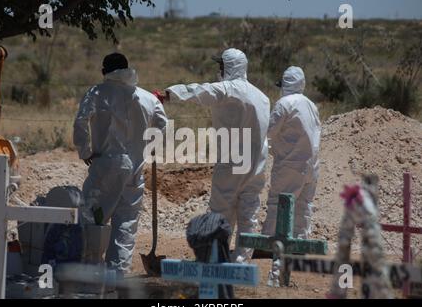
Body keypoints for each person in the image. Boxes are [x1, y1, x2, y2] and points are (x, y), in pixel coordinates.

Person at [163, 48, 270, 263]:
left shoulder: (228, 89)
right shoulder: (262, 97)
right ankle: (240, 262)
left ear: (228, 67)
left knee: (221, 211)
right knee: (249, 214)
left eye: (221, 66)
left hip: (232, 162)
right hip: (257, 164)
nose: (218, 70)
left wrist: (170, 94)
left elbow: (200, 92)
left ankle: (215, 258)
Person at [73, 53, 168, 273]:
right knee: (125, 225)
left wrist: (85, 150)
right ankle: (116, 279)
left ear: (104, 71)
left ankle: (88, 273)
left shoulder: (96, 93)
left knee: (94, 220)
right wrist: (147, 148)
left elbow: (81, 122)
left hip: (105, 168)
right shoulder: (147, 98)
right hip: (134, 170)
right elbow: (162, 124)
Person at [262, 66, 321, 239]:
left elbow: (269, 132)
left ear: (285, 84)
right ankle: (298, 243)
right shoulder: (311, 105)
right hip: (312, 165)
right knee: (303, 206)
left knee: (279, 203)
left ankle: (269, 243)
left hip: (290, 164)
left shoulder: (284, 104)